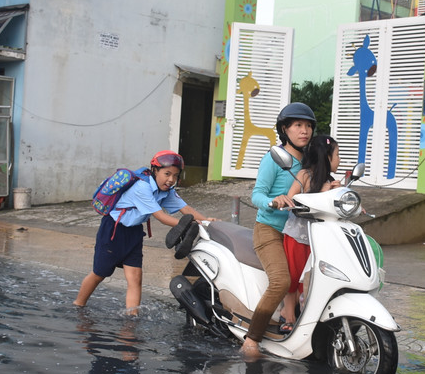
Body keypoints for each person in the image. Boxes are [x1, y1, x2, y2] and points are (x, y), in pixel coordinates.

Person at [74, 150, 213, 315]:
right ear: (155, 171)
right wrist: (193, 224)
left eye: (175, 176)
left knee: (135, 277)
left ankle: (131, 318)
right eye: (167, 174)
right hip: (113, 230)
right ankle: (78, 306)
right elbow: (161, 216)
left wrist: (207, 222)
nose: (171, 180)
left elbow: (186, 208)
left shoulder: (166, 191)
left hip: (134, 233)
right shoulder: (142, 187)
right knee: (100, 273)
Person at [240, 102, 315, 357]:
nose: (304, 131)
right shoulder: (273, 158)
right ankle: (252, 338)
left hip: (301, 232)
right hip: (270, 229)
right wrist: (274, 201)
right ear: (285, 129)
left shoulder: (310, 159)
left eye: (307, 126)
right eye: (297, 126)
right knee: (282, 281)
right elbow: (257, 194)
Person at [279, 135, 342, 331]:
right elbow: (291, 199)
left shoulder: (332, 182)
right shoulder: (304, 176)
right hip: (298, 235)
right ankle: (287, 314)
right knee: (293, 275)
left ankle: (308, 315)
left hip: (319, 239)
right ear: (326, 157)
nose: (339, 160)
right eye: (337, 155)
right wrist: (319, 194)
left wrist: (340, 194)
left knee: (310, 278)